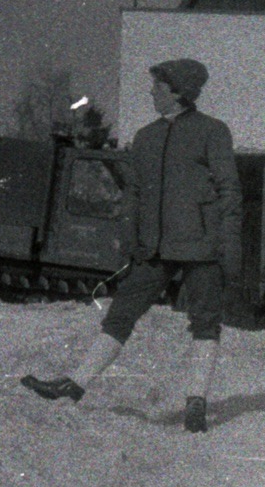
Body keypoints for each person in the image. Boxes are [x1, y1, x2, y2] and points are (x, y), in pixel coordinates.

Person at [23, 58, 242, 433]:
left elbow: (230, 191)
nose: (151, 92)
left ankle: (196, 402)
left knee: (205, 322)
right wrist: (131, 237)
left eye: (158, 87)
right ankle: (74, 387)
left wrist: (228, 248)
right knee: (121, 313)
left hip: (202, 248)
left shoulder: (213, 132)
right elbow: (135, 194)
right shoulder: (146, 136)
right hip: (153, 248)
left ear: (178, 92)